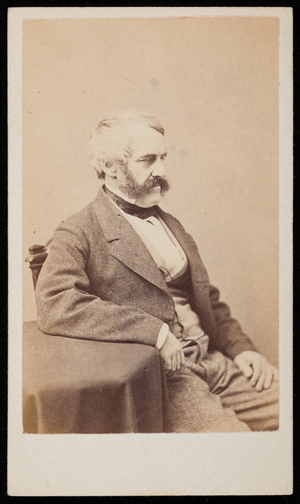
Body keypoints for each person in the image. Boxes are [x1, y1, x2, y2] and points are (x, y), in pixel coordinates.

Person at [35, 109, 279, 432]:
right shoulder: (79, 230)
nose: (162, 170)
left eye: (163, 157)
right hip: (167, 379)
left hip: (216, 361)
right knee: (236, 452)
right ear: (111, 167)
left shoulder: (170, 223)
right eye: (148, 160)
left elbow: (207, 297)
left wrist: (241, 348)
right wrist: (155, 332)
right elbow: (54, 302)